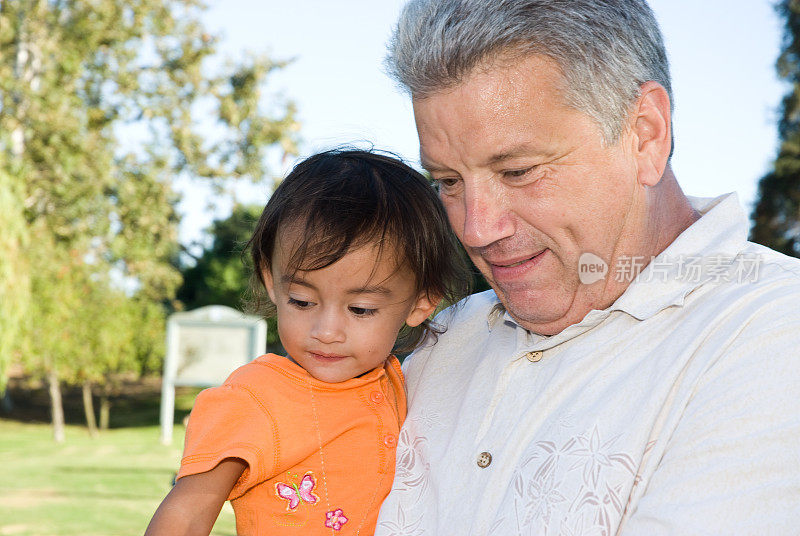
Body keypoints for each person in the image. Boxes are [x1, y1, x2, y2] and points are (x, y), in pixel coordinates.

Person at [375, 1, 800, 534]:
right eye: (448, 182)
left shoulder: (771, 336)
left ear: (645, 133)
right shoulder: (442, 337)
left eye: (518, 170)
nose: (476, 229)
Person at [144, 149, 470, 535]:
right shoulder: (255, 398)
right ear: (272, 282)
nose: (326, 330)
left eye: (360, 309)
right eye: (302, 301)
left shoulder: (404, 384)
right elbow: (187, 512)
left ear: (421, 303)